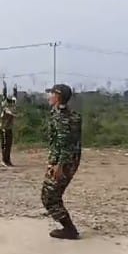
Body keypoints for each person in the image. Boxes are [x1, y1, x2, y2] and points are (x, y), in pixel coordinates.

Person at [42, 84, 82, 240]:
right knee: (51, 195)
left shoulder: (61, 118)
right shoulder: (72, 115)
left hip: (63, 163)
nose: (49, 96)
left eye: (51, 94)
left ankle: (69, 230)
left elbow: (65, 144)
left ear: (57, 97)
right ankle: (69, 228)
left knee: (49, 197)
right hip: (68, 161)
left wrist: (59, 166)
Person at [0, 90, 17, 167]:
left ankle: (7, 160)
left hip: (9, 129)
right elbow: (10, 113)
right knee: (5, 145)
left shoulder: (10, 108)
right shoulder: (6, 109)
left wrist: (15, 91)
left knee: (8, 145)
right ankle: (4, 160)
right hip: (4, 129)